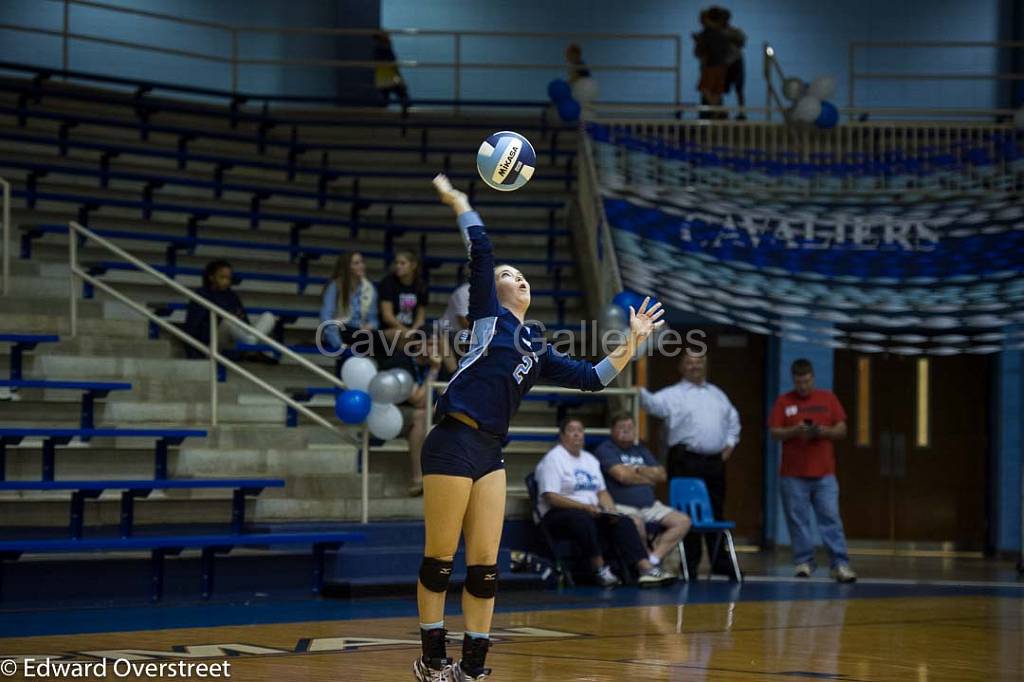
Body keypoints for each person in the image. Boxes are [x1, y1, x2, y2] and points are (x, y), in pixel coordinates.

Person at [413, 173, 665, 682]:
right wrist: (461, 202)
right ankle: (433, 659)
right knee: (441, 559)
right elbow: (481, 250)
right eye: (510, 273)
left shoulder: (536, 346)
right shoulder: (486, 318)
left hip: (489, 451)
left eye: (522, 274)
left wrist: (633, 341)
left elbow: (594, 378)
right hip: (452, 441)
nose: (517, 277)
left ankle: (474, 667)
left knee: (485, 567)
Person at [536, 417, 677, 588]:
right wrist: (583, 506)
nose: (577, 434)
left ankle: (645, 569)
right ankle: (600, 569)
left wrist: (610, 509)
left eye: (580, 431)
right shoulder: (554, 459)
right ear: (562, 436)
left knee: (624, 521)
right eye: (572, 430)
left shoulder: (590, 459)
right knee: (582, 519)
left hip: (591, 510)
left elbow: (601, 492)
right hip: (558, 514)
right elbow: (551, 496)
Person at [640, 354, 740, 579]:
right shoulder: (673, 394)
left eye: (699, 362)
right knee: (687, 512)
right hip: (685, 459)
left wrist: (730, 444)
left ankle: (719, 562)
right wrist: (637, 390)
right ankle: (690, 565)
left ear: (705, 366)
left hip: (714, 461)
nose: (695, 366)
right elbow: (652, 404)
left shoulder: (718, 394)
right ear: (681, 367)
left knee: (715, 511)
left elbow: (733, 420)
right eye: (690, 362)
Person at [768, 359, 856, 583]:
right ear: (793, 380)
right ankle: (804, 561)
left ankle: (840, 564)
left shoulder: (828, 399)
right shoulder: (784, 401)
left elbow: (842, 429)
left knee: (830, 518)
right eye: (799, 382)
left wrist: (822, 431)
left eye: (806, 381)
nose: (803, 387)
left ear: (813, 378)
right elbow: (775, 432)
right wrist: (795, 431)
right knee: (798, 520)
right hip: (793, 474)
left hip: (824, 474)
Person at [594, 412, 692, 573]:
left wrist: (637, 469)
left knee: (683, 521)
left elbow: (662, 474)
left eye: (630, 428)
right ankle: (646, 567)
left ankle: (653, 559)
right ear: (612, 431)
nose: (626, 431)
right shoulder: (606, 449)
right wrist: (647, 478)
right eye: (621, 428)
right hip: (622, 506)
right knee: (636, 524)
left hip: (650, 506)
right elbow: (622, 476)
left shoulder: (640, 450)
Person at [183, 260, 277, 361]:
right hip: (212, 344)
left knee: (269, 316)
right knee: (228, 321)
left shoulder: (232, 296)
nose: (226, 281)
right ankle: (252, 347)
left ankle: (251, 346)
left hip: (236, 340)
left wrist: (239, 319)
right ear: (211, 277)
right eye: (222, 277)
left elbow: (245, 323)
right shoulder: (201, 295)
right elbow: (193, 327)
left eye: (228, 278)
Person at [319, 251, 378, 352]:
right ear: (347, 267)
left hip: (360, 332)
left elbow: (373, 319)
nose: (361, 266)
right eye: (356, 263)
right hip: (340, 331)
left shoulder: (369, 288)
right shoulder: (335, 286)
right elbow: (326, 319)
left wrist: (370, 326)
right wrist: (339, 344)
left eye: (362, 262)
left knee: (379, 338)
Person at [379, 250, 427, 344]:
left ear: (413, 265)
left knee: (435, 337)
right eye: (396, 263)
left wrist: (413, 331)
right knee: (400, 335)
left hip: (412, 329)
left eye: (402, 263)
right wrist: (406, 331)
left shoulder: (421, 285)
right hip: (391, 328)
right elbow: (387, 316)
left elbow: (420, 317)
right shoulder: (388, 283)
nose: (398, 266)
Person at [692, 8, 730, 119]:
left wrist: (698, 42)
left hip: (711, 65)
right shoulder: (721, 32)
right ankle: (718, 110)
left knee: (706, 89)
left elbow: (699, 52)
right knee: (715, 91)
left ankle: (717, 110)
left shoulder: (708, 33)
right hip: (721, 65)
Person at [712, 6, 747, 119]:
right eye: (722, 18)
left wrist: (730, 36)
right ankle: (720, 112)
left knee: (739, 88)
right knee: (719, 88)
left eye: (726, 18)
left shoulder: (734, 30)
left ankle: (741, 113)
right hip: (723, 63)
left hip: (736, 61)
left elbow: (742, 42)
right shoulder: (716, 32)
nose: (724, 20)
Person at [373, 32, 410, 109]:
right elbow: (394, 67)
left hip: (382, 78)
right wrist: (400, 80)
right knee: (402, 94)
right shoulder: (386, 50)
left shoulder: (378, 51)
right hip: (390, 77)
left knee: (385, 99)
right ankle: (406, 114)